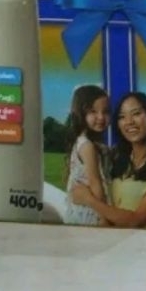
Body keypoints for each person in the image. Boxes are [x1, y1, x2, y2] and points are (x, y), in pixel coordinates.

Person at [71, 91, 146, 229]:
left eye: (136, 113)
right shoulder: (116, 158)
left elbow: (135, 221)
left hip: (134, 241)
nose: (129, 122)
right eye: (122, 117)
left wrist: (89, 200)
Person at [64, 84, 111, 226]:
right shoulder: (87, 146)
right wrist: (104, 218)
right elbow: (96, 183)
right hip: (89, 215)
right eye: (93, 111)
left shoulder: (82, 142)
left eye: (106, 111)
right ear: (81, 113)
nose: (101, 117)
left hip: (78, 213)